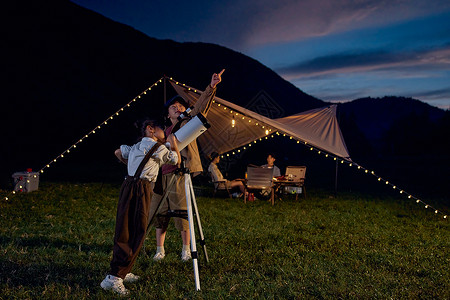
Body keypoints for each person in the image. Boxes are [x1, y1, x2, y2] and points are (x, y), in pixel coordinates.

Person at [149, 70, 224, 262]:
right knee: (160, 213)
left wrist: (211, 87)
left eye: (180, 106)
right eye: (173, 106)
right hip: (161, 176)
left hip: (180, 173)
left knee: (182, 212)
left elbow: (200, 108)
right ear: (167, 113)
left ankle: (186, 249)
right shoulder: (162, 132)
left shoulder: (186, 124)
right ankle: (160, 250)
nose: (177, 108)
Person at [100, 119, 180, 296]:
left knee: (125, 227)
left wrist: (131, 168)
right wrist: (174, 144)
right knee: (137, 230)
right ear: (150, 130)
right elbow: (175, 160)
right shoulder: (159, 148)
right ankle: (114, 278)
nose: (165, 133)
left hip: (128, 184)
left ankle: (123, 270)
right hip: (142, 188)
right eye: (162, 130)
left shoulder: (136, 146)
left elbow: (118, 152)